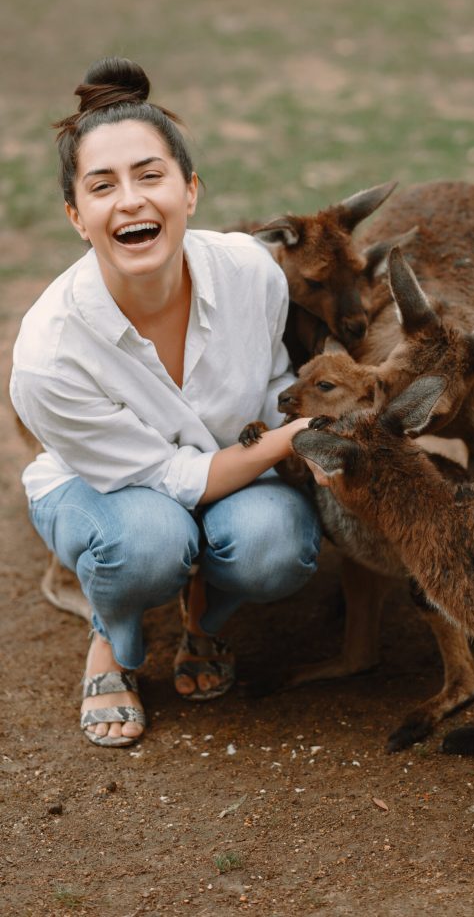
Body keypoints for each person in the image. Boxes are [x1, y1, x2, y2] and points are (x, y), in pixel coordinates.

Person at [10, 56, 321, 748]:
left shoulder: (251, 272)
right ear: (77, 217)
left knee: (277, 547)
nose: (130, 201)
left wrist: (295, 427)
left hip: (231, 464)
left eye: (150, 176)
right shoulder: (50, 353)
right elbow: (167, 479)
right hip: (107, 492)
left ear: (191, 191)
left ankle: (204, 613)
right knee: (150, 542)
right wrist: (299, 436)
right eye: (102, 186)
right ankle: (113, 638)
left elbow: (272, 390)